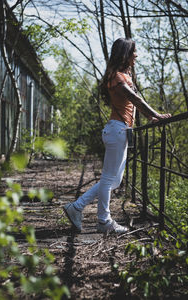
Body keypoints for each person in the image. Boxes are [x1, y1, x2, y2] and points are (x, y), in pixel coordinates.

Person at [63, 38, 171, 234]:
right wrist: (154, 115)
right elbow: (134, 98)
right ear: (125, 54)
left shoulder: (121, 75)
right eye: (134, 52)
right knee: (108, 179)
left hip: (120, 131)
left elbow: (131, 101)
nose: (136, 55)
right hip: (117, 130)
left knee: (114, 181)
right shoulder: (117, 77)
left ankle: (77, 207)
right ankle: (104, 221)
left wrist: (150, 116)